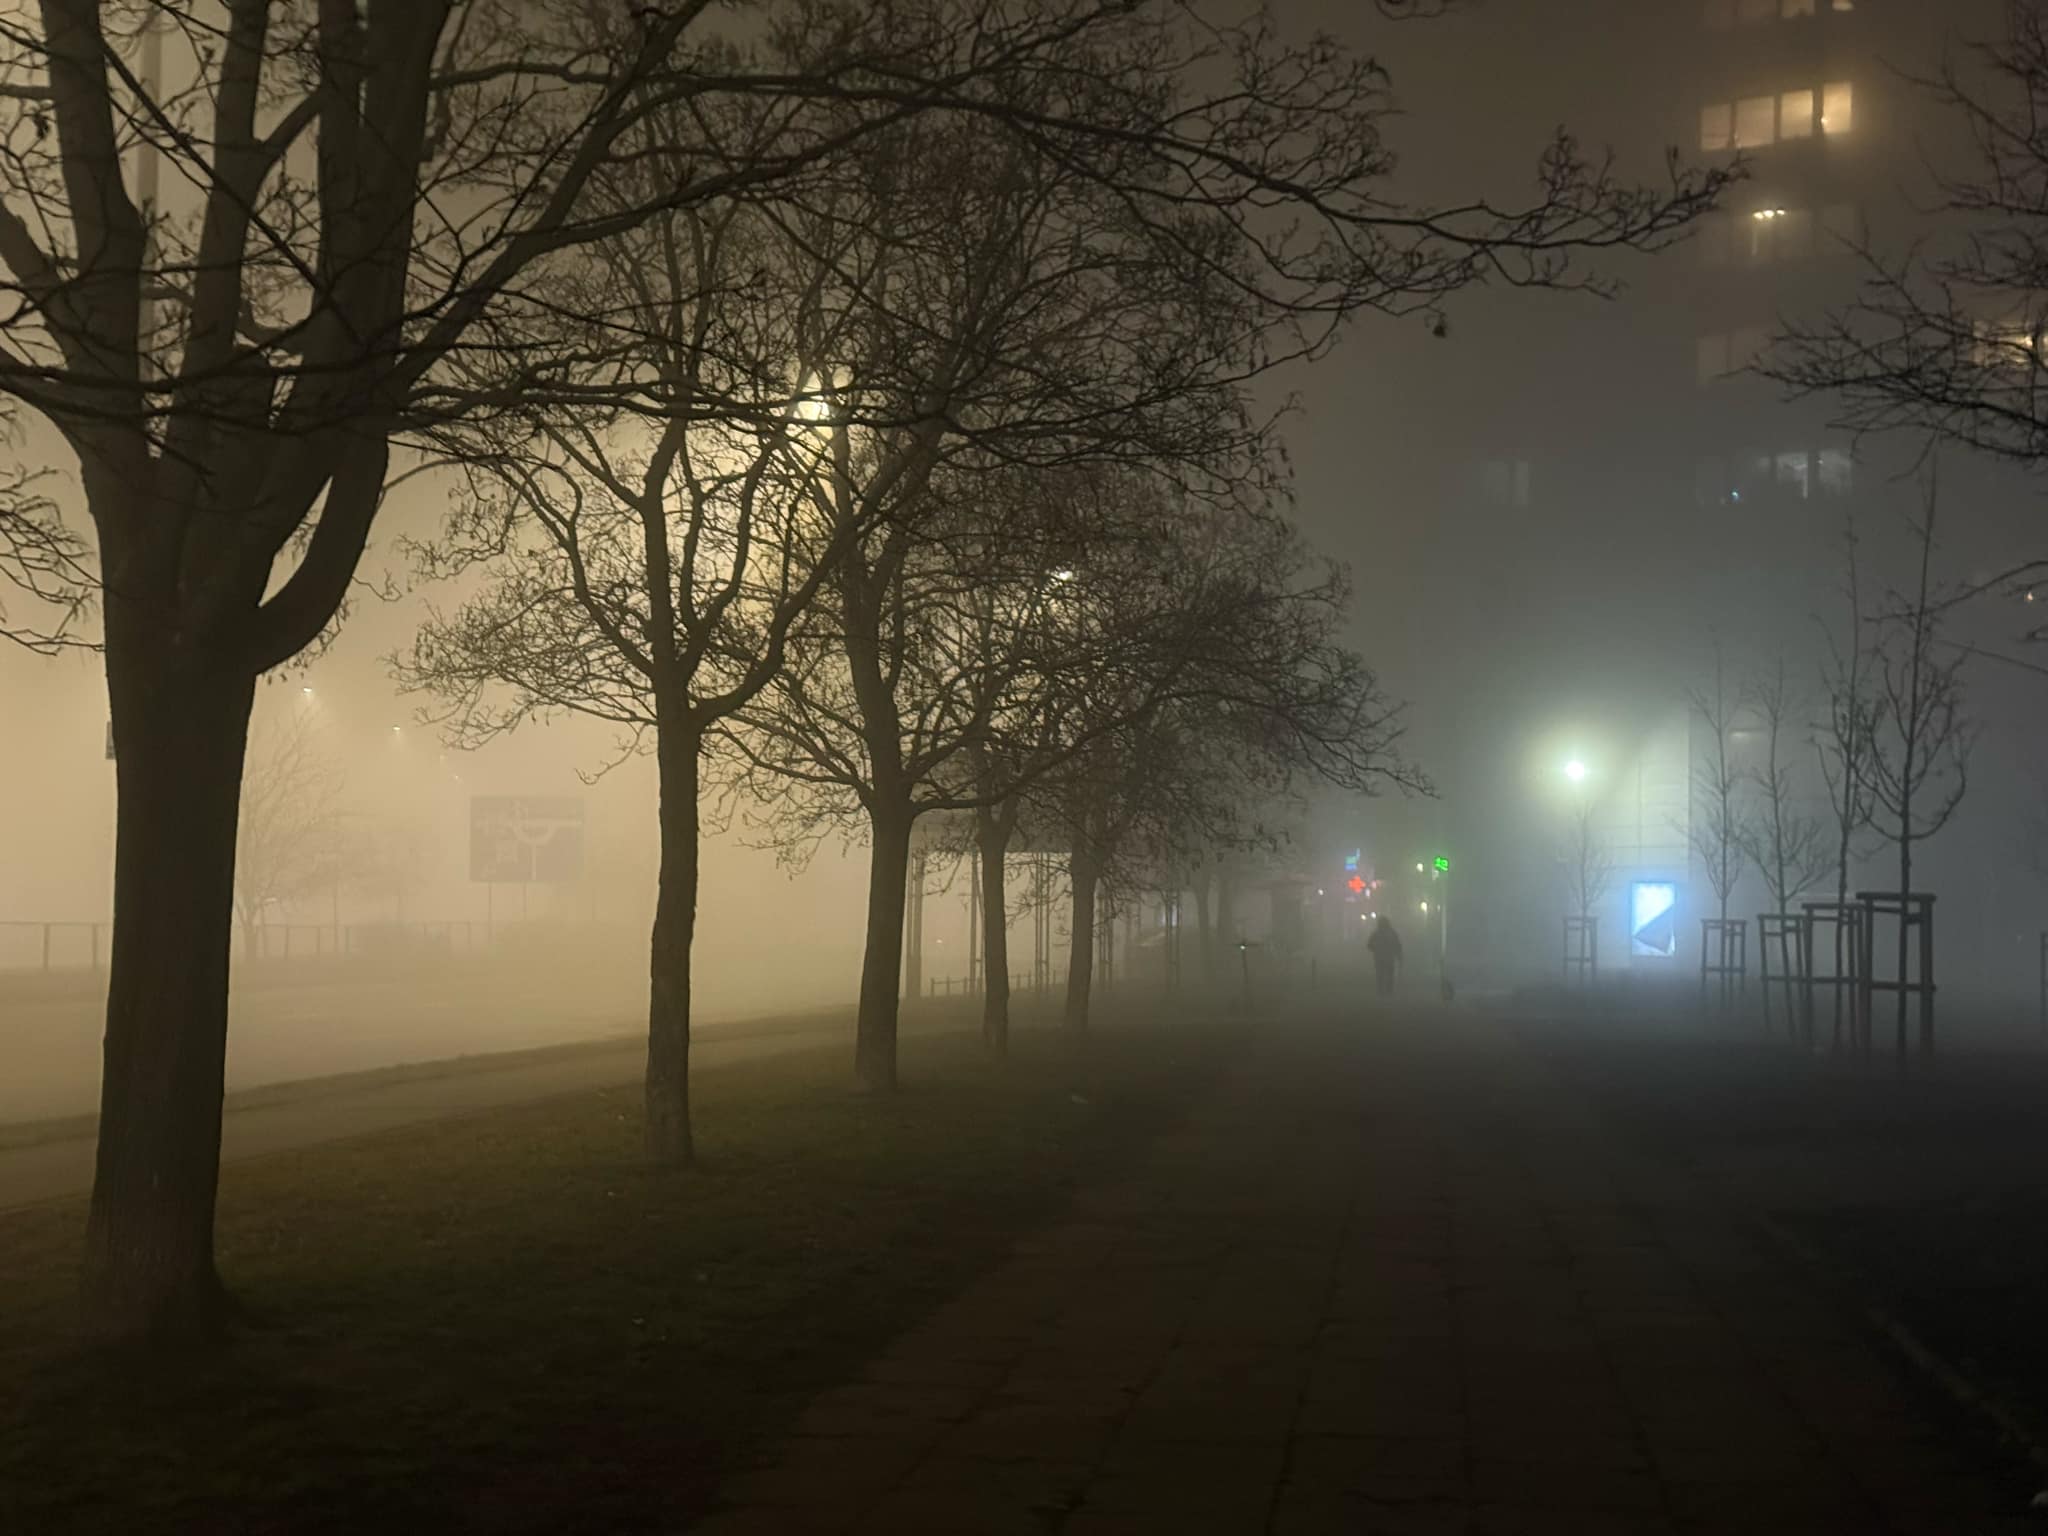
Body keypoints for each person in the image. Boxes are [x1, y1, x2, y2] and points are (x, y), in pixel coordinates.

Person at [1366, 915, 1403, 1000]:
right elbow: (1397, 945)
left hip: (1379, 958)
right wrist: (1399, 956)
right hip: (1389, 957)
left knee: (1381, 974)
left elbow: (1369, 945)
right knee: (1389, 974)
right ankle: (1388, 991)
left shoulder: (1376, 934)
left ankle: (1381, 990)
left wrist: (1376, 949)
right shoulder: (1392, 933)